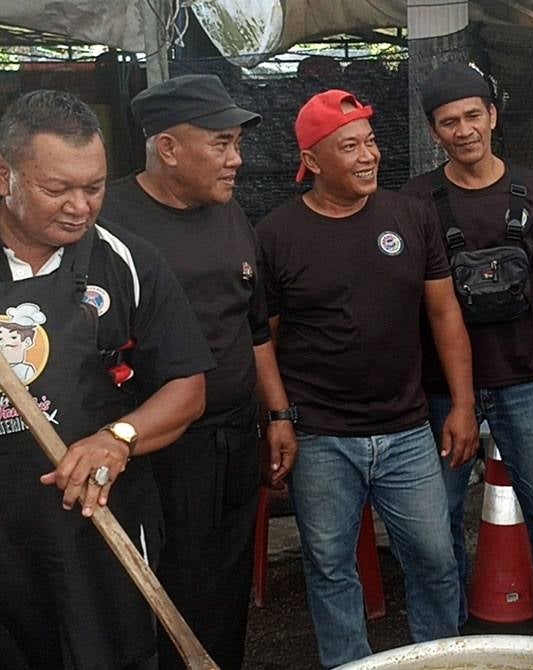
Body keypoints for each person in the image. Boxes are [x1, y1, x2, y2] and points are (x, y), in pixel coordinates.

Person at [256, 89, 478, 667]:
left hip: (407, 431)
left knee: (435, 558)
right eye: (349, 146)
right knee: (330, 566)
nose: (368, 156)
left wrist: (461, 404)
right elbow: (264, 340)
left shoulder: (410, 215)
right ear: (312, 160)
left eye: (371, 142)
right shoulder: (278, 233)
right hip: (322, 436)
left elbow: (444, 313)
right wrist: (278, 417)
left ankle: (439, 658)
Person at [0, 90, 212, 669]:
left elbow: (186, 388)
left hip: (99, 524)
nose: (80, 206)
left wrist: (116, 439)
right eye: (56, 189)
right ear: (4, 177)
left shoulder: (125, 260)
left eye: (93, 187)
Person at [99, 74, 297, 670]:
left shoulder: (230, 212)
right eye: (221, 143)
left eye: (237, 143)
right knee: (160, 586)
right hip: (158, 451)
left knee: (225, 585)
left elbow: (254, 326)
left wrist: (279, 414)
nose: (237, 160)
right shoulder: (106, 220)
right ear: (167, 148)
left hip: (234, 437)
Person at [401, 62, 533, 639]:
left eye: (472, 116)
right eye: (448, 122)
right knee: (441, 516)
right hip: (442, 389)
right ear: (434, 132)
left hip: (525, 376)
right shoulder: (416, 200)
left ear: (493, 117)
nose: (463, 130)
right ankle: (448, 633)